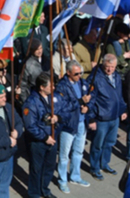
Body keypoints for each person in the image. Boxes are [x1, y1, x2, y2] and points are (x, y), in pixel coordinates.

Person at [23, 73, 64, 198]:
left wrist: (58, 118)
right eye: (50, 86)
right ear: (41, 87)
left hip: (53, 138)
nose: (53, 88)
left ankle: (44, 189)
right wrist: (45, 137)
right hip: (38, 142)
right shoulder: (31, 102)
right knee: (36, 169)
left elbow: (63, 110)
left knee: (49, 167)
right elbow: (30, 125)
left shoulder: (54, 97)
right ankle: (34, 193)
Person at [88, 54, 128, 181]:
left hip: (115, 116)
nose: (110, 69)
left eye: (112, 67)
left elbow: (119, 95)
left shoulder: (116, 76)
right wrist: (91, 119)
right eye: (107, 66)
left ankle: (104, 164)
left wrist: (122, 110)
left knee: (110, 143)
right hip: (102, 117)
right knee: (97, 144)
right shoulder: (95, 78)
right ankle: (94, 168)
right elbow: (90, 100)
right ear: (103, 65)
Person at [55, 60, 92, 192]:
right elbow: (63, 107)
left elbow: (89, 98)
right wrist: (80, 102)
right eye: (76, 74)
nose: (79, 76)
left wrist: (87, 107)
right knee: (64, 155)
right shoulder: (62, 87)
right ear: (68, 72)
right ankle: (62, 180)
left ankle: (75, 176)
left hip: (82, 122)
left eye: (81, 73)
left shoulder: (82, 82)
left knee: (78, 151)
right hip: (69, 125)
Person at [19, 39, 44, 104]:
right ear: (32, 50)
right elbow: (23, 84)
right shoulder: (28, 65)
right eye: (37, 49)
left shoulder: (46, 60)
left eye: (41, 48)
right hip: (34, 96)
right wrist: (26, 102)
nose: (40, 51)